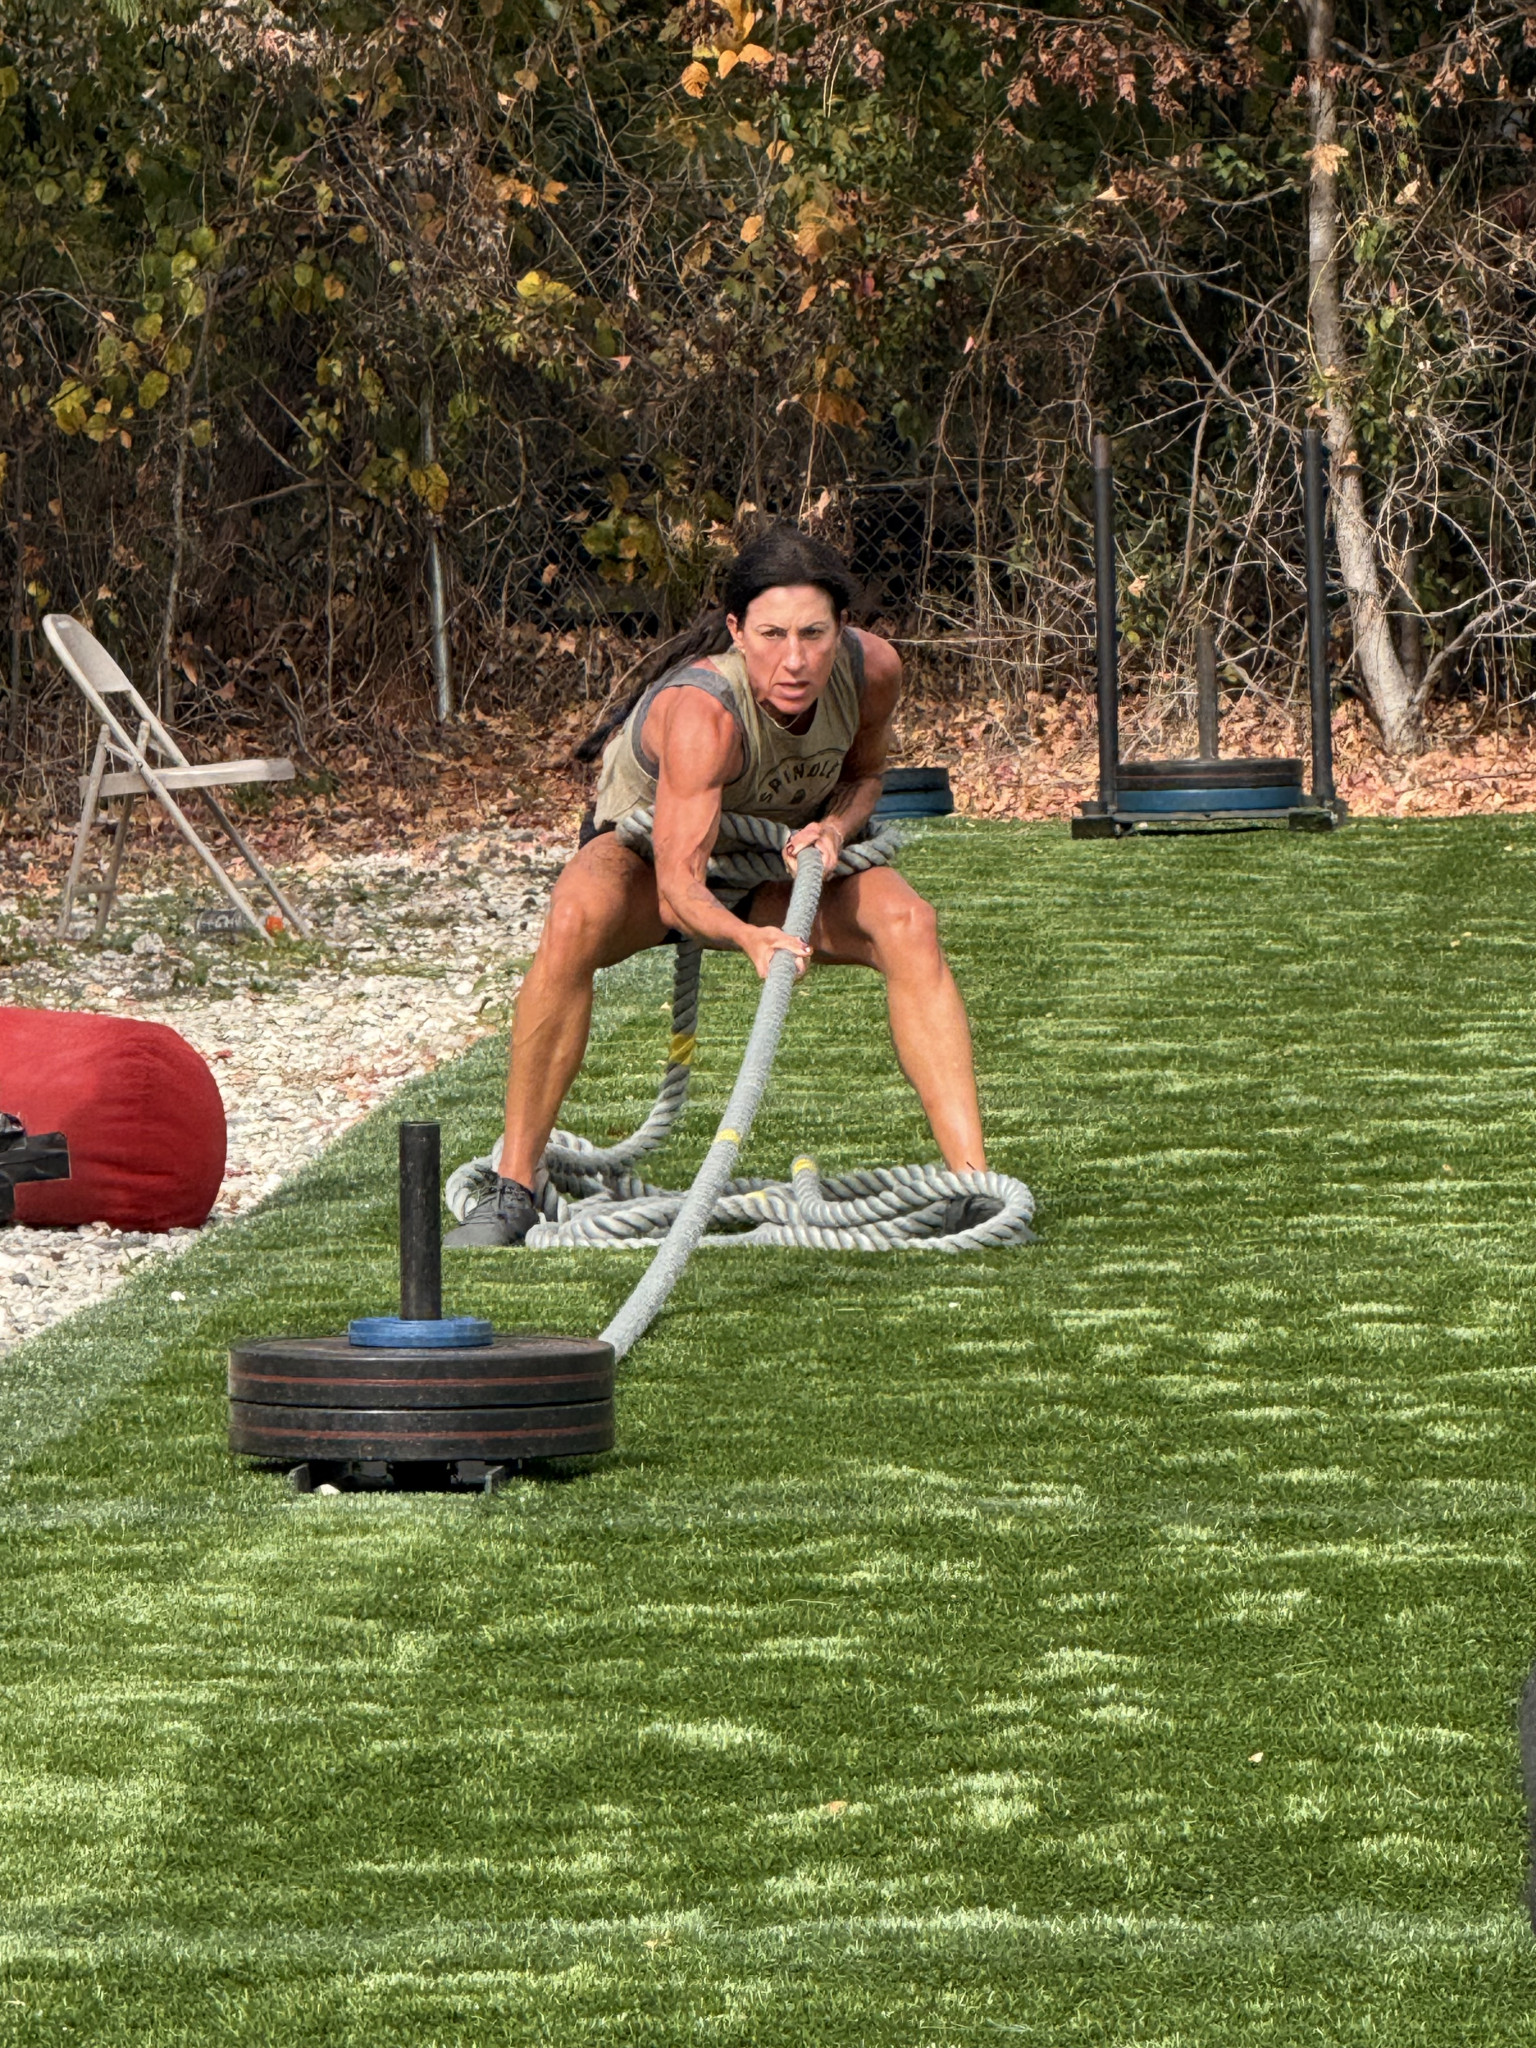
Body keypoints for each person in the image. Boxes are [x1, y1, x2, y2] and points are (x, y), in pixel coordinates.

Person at [447, 524, 992, 1246]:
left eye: (813, 634)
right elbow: (677, 889)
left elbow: (866, 777)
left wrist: (834, 829)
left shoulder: (873, 671)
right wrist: (749, 939)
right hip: (651, 866)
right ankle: (513, 1188)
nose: (794, 660)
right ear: (737, 631)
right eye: (772, 635)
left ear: (841, 629)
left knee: (908, 922)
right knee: (575, 917)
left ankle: (970, 1185)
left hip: (775, 869)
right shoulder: (705, 713)